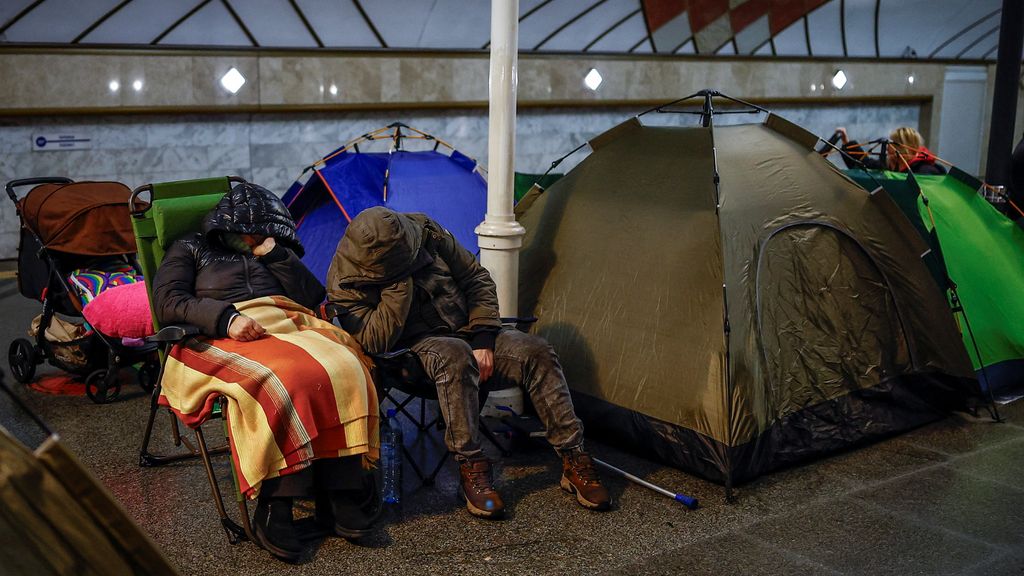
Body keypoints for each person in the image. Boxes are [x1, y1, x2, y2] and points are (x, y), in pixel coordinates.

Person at [325, 206, 611, 519]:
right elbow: (374, 341)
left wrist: (484, 337)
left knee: (536, 351)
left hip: (469, 330)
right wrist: (398, 284)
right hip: (413, 352)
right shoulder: (344, 281)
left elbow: (476, 278)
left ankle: (573, 456)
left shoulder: (426, 232)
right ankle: (471, 467)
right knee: (455, 356)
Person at [152, 182, 380, 564]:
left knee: (346, 366)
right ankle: (276, 504)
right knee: (284, 379)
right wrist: (226, 319)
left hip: (286, 324)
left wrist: (275, 255)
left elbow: (310, 297)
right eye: (249, 231)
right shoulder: (190, 247)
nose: (254, 236)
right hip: (218, 334)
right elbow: (168, 301)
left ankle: (340, 489)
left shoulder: (274, 247)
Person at [836, 126, 947, 175]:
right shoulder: (889, 165)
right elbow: (864, 164)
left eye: (892, 143)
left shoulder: (926, 172)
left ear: (902, 147)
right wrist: (846, 142)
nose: (888, 146)